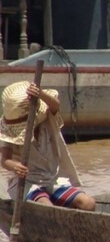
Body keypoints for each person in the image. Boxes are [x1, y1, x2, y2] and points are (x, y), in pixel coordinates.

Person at [0, 81, 96, 211]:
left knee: (87, 203)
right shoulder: (8, 131)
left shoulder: (48, 119)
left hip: (53, 179)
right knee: (47, 207)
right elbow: (5, 160)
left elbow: (55, 105)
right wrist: (16, 166)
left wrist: (41, 94)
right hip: (28, 183)